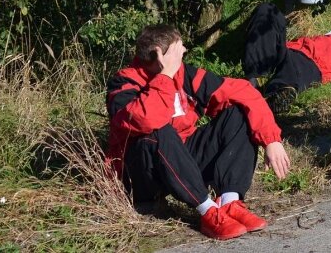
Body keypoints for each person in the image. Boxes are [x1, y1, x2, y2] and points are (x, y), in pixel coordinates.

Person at [105, 24, 291, 241]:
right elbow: (146, 119)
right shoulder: (124, 82)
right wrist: (165, 75)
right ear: (160, 55)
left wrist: (271, 140)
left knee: (238, 112)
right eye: (177, 51)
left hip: (181, 160)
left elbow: (243, 92)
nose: (183, 53)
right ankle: (207, 211)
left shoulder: (185, 75)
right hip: (144, 174)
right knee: (158, 129)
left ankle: (229, 203)